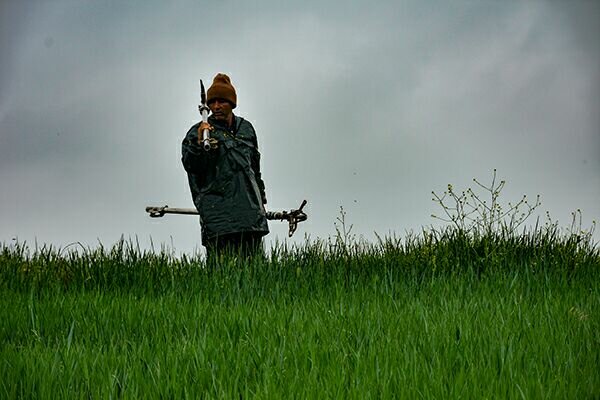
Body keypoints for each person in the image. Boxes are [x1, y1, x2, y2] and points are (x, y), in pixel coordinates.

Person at [181, 73, 269, 259]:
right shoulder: (199, 133)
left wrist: (261, 200)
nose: (216, 106)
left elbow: (254, 169)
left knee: (255, 272)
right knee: (220, 272)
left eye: (221, 101)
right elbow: (191, 166)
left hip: (250, 217)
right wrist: (199, 145)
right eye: (212, 102)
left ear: (232, 103)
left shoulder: (246, 129)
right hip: (218, 218)